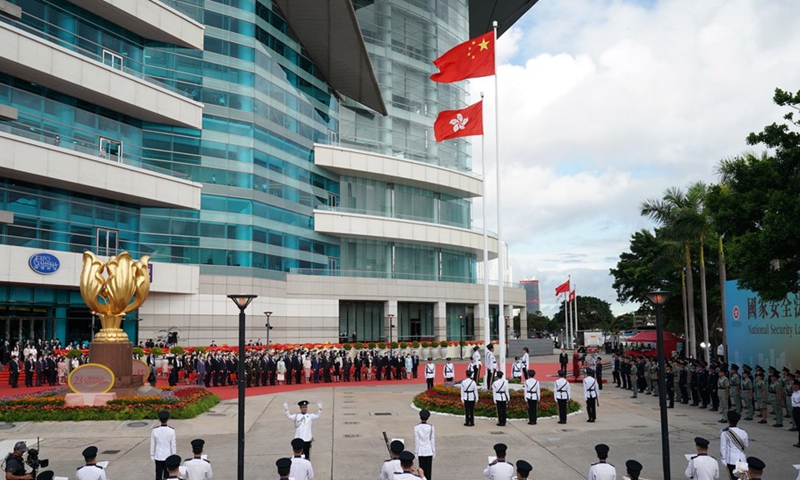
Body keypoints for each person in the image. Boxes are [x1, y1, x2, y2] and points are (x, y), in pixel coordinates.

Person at [719, 410, 748, 480]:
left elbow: (722, 448)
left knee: (733, 478)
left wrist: (723, 459)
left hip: (731, 460)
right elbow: (746, 445)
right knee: (742, 478)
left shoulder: (725, 432)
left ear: (728, 420)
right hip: (742, 459)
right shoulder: (743, 432)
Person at [150, 410, 177, 480]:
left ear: (159, 419)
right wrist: (173, 456)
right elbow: (173, 445)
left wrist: (152, 455)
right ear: (168, 419)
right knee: (167, 476)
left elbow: (152, 444)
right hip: (168, 456)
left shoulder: (155, 430)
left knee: (158, 475)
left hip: (158, 456)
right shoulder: (171, 431)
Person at [414, 409, 435, 480]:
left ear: (420, 417)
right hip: (429, 450)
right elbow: (432, 439)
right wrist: (433, 451)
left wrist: (416, 452)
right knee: (428, 470)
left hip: (421, 450)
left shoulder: (417, 427)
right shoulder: (431, 427)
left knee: (421, 471)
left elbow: (417, 440)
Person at [791, 379, 800, 447]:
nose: (793, 386)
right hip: (794, 409)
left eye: (794, 385)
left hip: (799, 409)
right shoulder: (794, 393)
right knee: (798, 426)